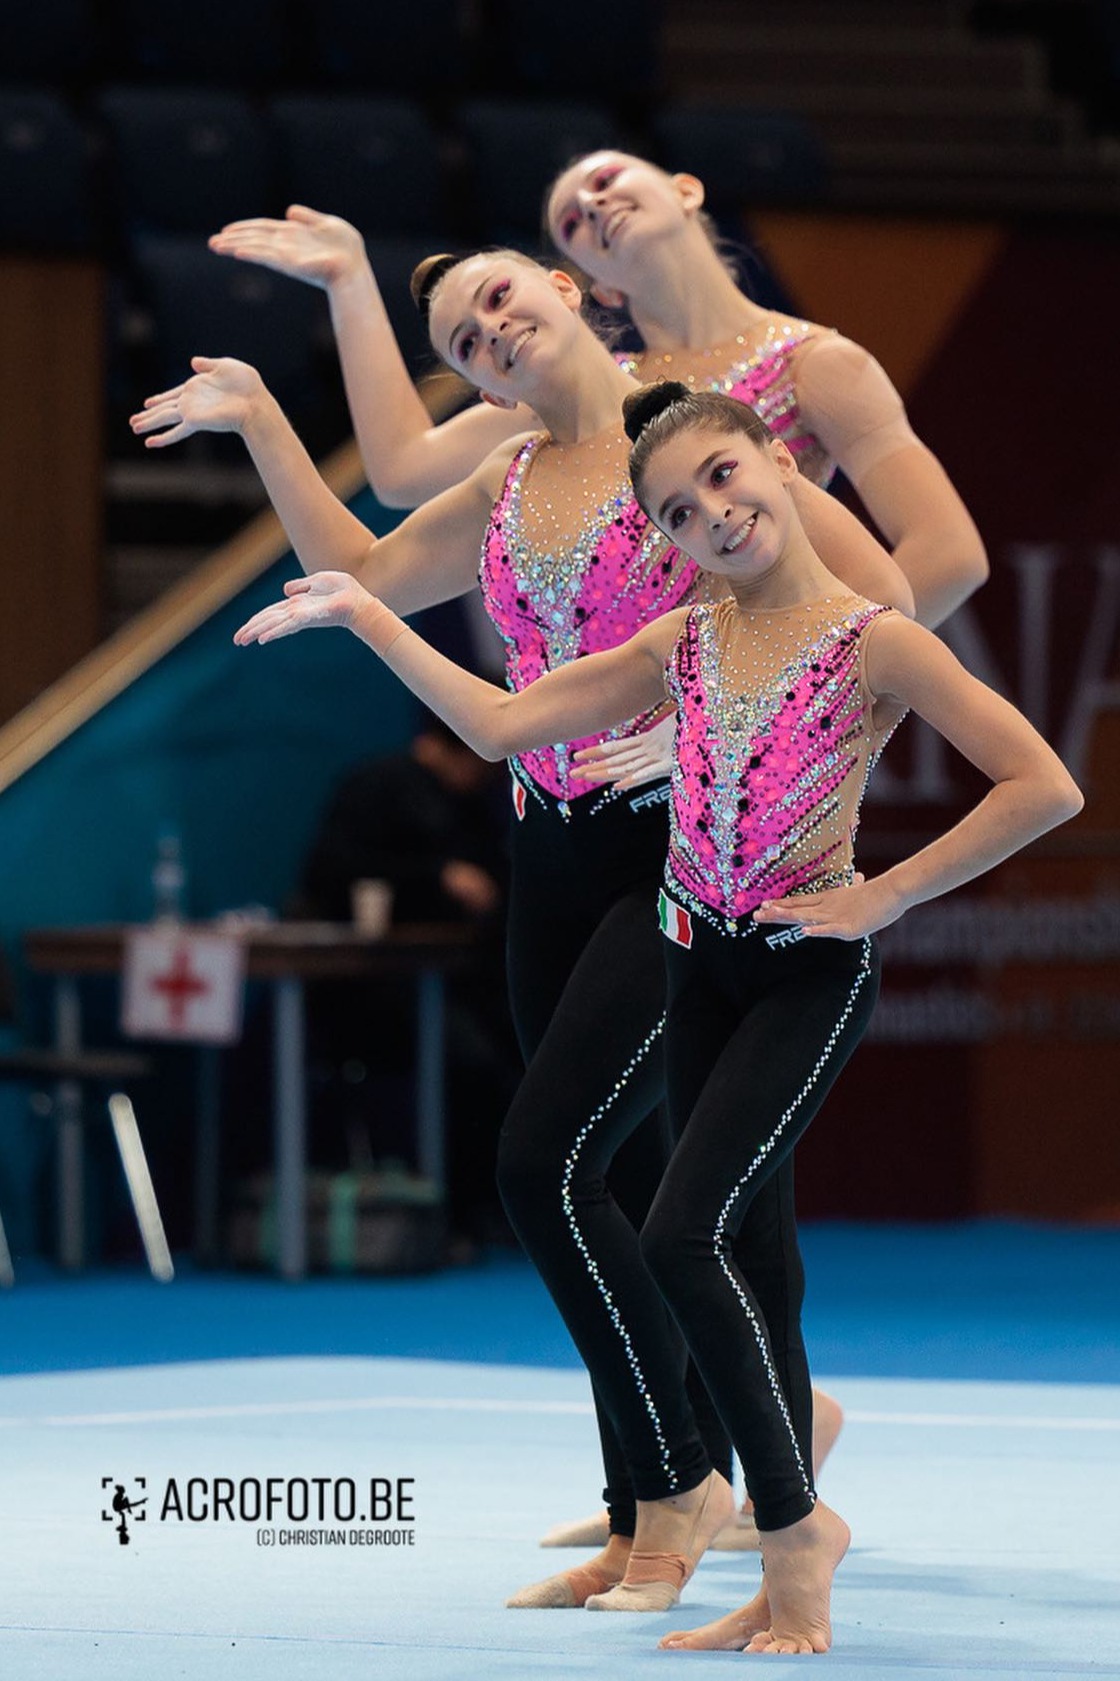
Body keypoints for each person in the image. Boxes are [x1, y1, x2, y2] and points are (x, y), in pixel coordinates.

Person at [231, 382, 1081, 1654]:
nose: (714, 515)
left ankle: (789, 1532)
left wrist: (886, 894)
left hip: (804, 967)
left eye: (727, 481)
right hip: (695, 963)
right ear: (666, 543)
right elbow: (508, 722)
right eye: (678, 512)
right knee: (734, 1247)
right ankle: (775, 1525)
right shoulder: (679, 645)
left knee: (686, 1231)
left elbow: (1043, 783)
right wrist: (368, 616)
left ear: (779, 468)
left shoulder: (873, 638)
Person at [131, 248, 912, 1613]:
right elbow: (364, 565)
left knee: (557, 1166)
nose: (488, 334)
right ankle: (644, 1507)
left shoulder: (697, 442)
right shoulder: (500, 475)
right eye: (462, 338)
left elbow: (876, 618)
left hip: (683, 850)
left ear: (564, 289)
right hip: (546, 848)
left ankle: (700, 1481)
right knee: (608, 1174)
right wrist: (264, 424)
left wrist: (716, 727)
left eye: (499, 298)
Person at [208, 155, 986, 633]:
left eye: (606, 179)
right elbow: (404, 469)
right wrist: (350, 282)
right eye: (571, 221)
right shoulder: (596, 392)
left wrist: (798, 687)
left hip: (733, 723)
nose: (593, 206)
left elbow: (947, 556)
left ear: (683, 189)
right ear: (589, 287)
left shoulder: (817, 364)